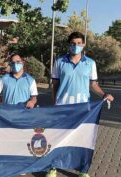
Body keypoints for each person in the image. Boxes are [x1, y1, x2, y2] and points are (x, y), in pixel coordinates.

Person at [49, 32, 114, 177]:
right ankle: (53, 166)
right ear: (69, 44)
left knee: (82, 140)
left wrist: (104, 94)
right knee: (58, 138)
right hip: (63, 107)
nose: (76, 46)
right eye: (73, 43)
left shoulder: (90, 63)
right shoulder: (59, 62)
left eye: (79, 43)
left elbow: (94, 85)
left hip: (83, 109)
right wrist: (54, 103)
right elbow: (55, 84)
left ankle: (83, 170)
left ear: (83, 44)